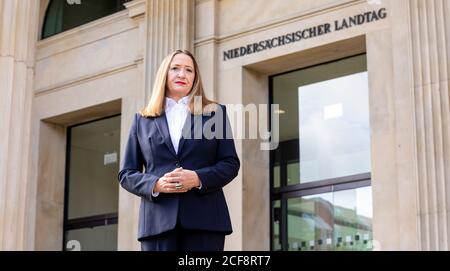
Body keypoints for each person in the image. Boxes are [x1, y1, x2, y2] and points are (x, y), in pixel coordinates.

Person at [118, 49, 240, 251]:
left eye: (189, 70)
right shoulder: (142, 119)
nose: (182, 74)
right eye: (175, 68)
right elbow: (126, 174)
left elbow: (230, 163)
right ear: (164, 74)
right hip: (157, 224)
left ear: (195, 77)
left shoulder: (214, 113)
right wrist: (156, 184)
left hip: (206, 222)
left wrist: (197, 178)